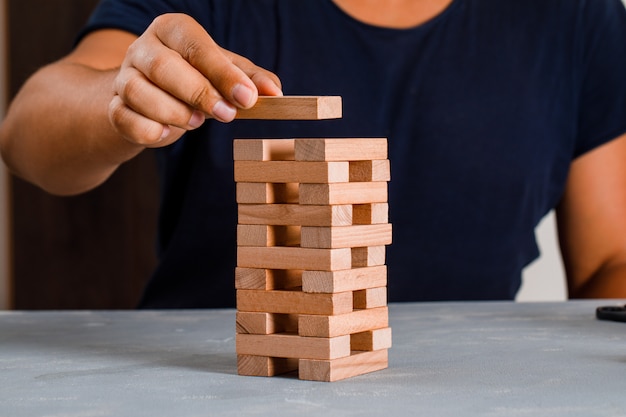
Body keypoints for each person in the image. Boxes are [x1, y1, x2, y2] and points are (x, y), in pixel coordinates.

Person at [1, 0, 626, 308]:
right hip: (210, 377)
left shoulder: (578, 17)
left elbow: (609, 260)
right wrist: (121, 100)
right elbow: (25, 130)